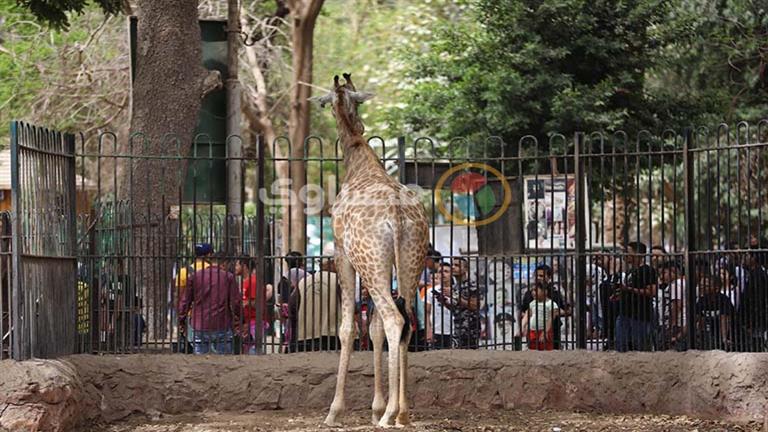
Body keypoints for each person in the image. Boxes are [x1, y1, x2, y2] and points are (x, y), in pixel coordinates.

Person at [178, 247, 242, 354]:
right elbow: (236, 303)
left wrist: (181, 320)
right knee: (224, 361)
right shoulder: (229, 277)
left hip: (199, 324)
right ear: (224, 263)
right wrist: (241, 320)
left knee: (200, 361)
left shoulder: (195, 276)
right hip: (222, 324)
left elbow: (185, 301)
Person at [614, 241, 657, 352]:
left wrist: (628, 289)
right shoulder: (630, 271)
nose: (625, 255)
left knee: (640, 348)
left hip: (640, 315)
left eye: (628, 252)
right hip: (625, 313)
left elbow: (652, 292)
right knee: (621, 346)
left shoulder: (648, 270)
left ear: (638, 254)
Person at [294, 258, 340, 352]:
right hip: (333, 333)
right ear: (331, 263)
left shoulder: (304, 281)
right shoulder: (339, 280)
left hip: (307, 333)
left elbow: (293, 305)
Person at [520, 264, 570, 349]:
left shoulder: (555, 294)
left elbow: (564, 310)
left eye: (541, 276)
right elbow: (524, 311)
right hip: (533, 332)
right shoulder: (528, 294)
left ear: (549, 277)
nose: (538, 278)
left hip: (552, 331)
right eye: (537, 275)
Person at [174, 243, 213, 352]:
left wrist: (181, 317)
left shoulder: (183, 272)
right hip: (213, 315)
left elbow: (179, 297)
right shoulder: (216, 271)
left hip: (192, 317)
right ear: (209, 255)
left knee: (195, 350)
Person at [236, 256, 273, 355]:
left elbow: (257, 303)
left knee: (253, 351)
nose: (235, 267)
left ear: (244, 266)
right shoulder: (244, 282)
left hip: (254, 322)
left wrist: (243, 304)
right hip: (247, 322)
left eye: (237, 264)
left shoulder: (253, 281)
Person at [695, 274, 734, 351]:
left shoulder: (724, 300)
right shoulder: (701, 301)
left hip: (725, 334)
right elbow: (698, 319)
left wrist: (724, 338)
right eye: (701, 285)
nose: (701, 287)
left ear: (716, 288)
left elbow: (725, 319)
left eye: (705, 285)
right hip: (709, 335)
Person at [450, 257, 481, 349]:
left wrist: (455, 296)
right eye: (452, 265)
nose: (453, 267)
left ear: (465, 269)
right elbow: (456, 307)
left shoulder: (472, 285)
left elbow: (474, 305)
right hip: (457, 326)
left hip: (470, 328)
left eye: (457, 265)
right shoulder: (455, 286)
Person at [522, 282, 559, 351]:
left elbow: (551, 319)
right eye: (532, 290)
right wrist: (524, 327)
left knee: (546, 351)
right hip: (532, 332)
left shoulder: (551, 304)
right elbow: (529, 315)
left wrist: (545, 332)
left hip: (544, 331)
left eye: (535, 290)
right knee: (532, 351)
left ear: (545, 291)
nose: (533, 292)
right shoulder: (532, 303)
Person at [428, 262, 455, 349]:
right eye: (440, 272)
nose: (443, 274)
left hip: (454, 331)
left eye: (446, 271)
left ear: (451, 274)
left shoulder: (458, 290)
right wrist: (428, 330)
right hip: (436, 331)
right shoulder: (430, 291)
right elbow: (427, 312)